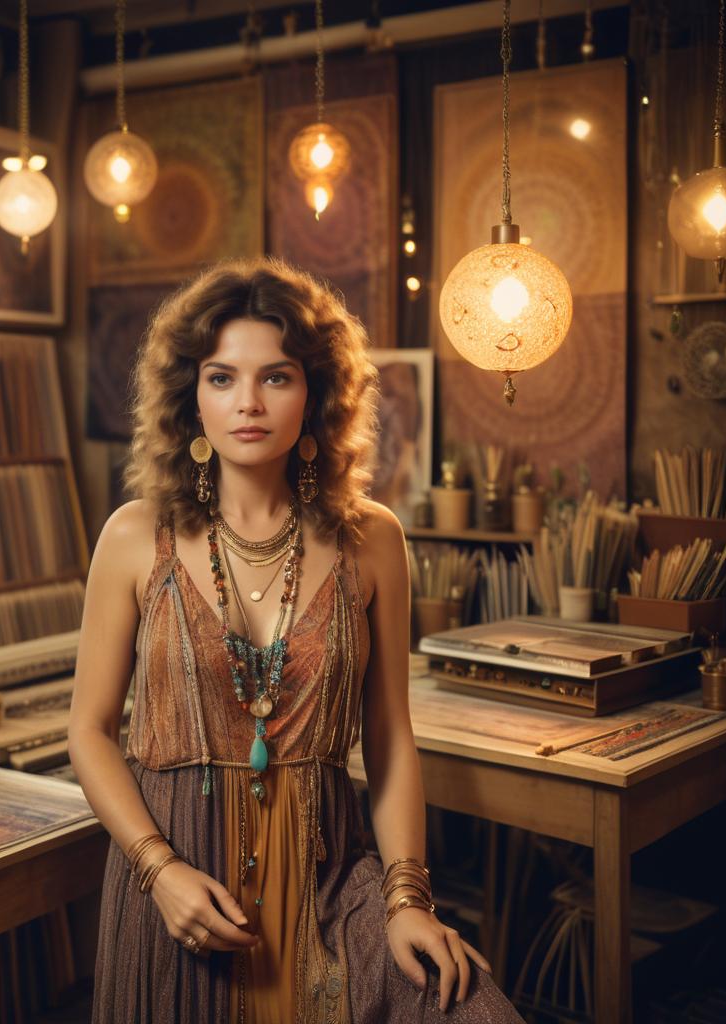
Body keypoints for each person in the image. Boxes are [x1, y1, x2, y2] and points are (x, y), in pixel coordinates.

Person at [67, 257, 525, 1022]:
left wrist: (407, 895)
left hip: (329, 871)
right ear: (191, 396)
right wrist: (158, 869)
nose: (248, 402)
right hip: (176, 884)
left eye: (276, 377)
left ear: (315, 393)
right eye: (222, 378)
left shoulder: (372, 540)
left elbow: (389, 737)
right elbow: (88, 731)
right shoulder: (133, 536)